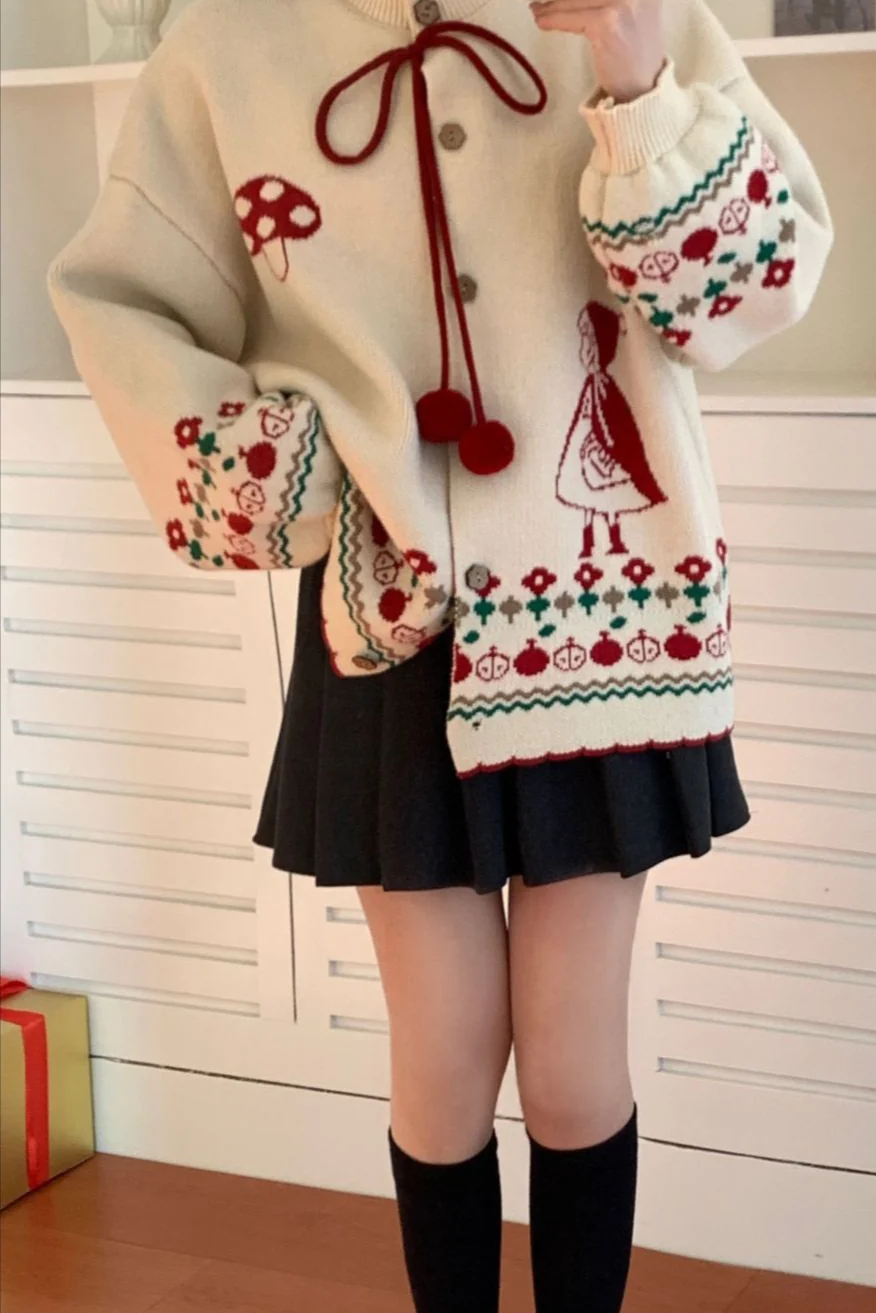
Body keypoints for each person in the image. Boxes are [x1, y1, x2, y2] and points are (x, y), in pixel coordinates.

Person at [46, 0, 832, 1308]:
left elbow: (752, 292)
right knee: (444, 1059)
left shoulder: (630, 13)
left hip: (603, 617)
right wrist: (284, 465)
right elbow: (120, 298)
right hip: (389, 617)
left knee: (574, 1064)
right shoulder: (228, 45)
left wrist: (638, 81)